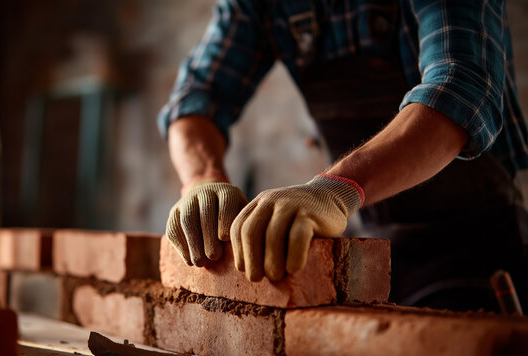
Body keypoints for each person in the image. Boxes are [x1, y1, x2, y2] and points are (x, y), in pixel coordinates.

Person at [158, 0, 528, 311]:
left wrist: (335, 189)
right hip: (367, 248)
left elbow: (460, 87)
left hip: (477, 251)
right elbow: (196, 96)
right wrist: (203, 180)